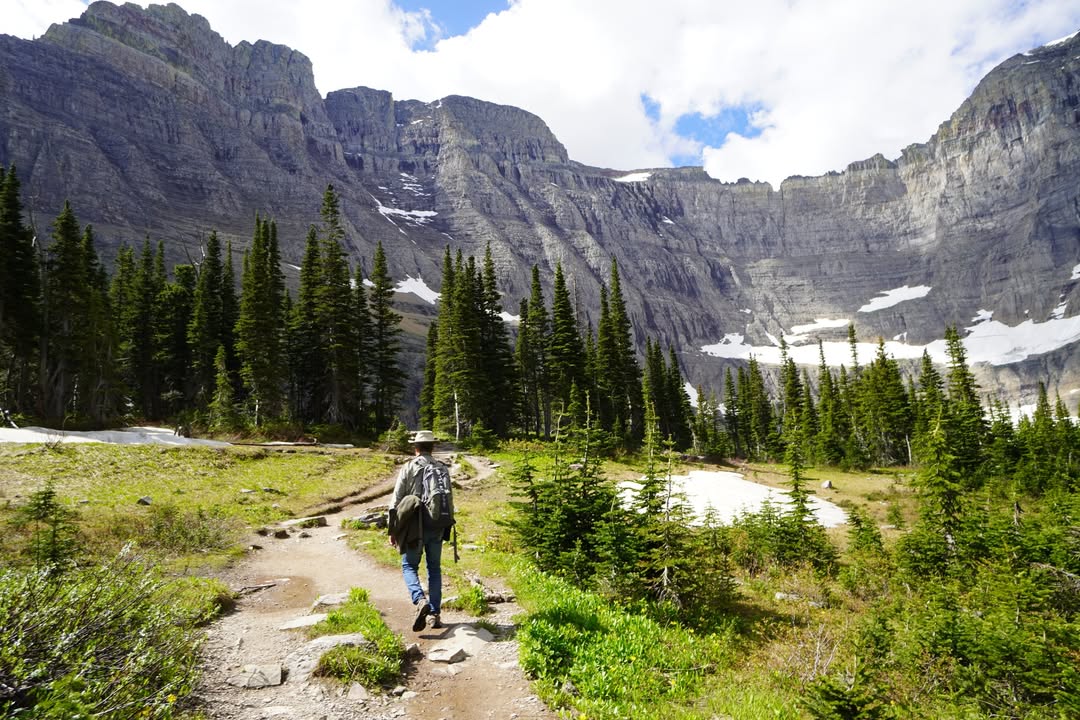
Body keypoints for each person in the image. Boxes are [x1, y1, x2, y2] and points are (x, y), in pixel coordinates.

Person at [389, 430, 452, 631]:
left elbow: (396, 500)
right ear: (432, 447)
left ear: (416, 448)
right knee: (434, 569)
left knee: (409, 565)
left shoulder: (409, 467)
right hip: (437, 525)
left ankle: (419, 600)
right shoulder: (441, 467)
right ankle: (434, 615)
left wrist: (392, 529)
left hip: (414, 526)